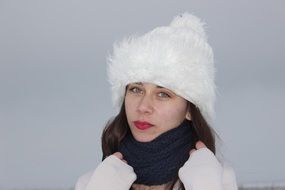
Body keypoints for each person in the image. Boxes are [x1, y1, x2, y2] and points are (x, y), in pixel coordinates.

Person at [75, 13, 238, 190]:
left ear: (190, 109)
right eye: (136, 89)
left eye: (163, 94)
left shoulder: (217, 180)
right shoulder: (93, 183)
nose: (143, 107)